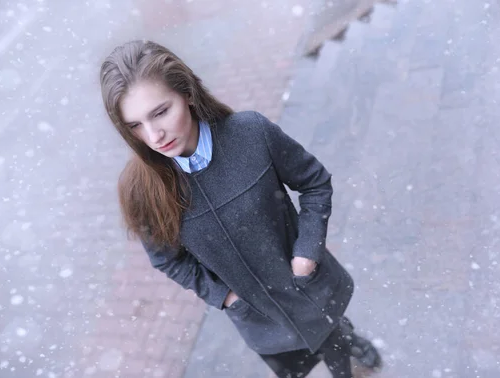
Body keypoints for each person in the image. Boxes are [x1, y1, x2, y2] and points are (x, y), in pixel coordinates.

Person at [99, 40, 381, 377]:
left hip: (312, 289)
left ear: (187, 93)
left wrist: (307, 253)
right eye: (135, 125)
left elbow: (314, 183)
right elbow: (167, 260)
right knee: (295, 369)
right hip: (260, 320)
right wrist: (227, 296)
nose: (154, 135)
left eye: (160, 112)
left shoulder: (251, 133)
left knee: (340, 358)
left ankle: (348, 341)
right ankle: (345, 340)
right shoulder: (140, 191)